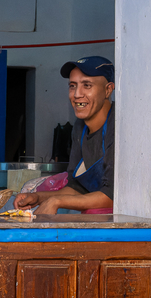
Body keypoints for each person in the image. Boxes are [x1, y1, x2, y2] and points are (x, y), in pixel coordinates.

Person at [14, 56, 115, 214]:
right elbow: (78, 187)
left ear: (108, 90)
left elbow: (112, 196)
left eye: (87, 85)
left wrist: (56, 201)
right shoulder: (80, 127)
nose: (77, 94)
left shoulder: (119, 125)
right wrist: (37, 197)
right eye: (72, 86)